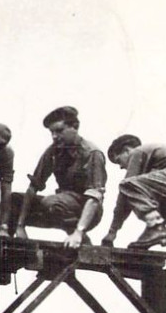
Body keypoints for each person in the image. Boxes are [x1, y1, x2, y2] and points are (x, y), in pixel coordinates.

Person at [13, 105, 106, 247]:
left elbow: (94, 197)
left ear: (74, 127)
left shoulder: (91, 153)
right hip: (62, 204)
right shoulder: (53, 151)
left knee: (51, 203)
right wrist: (20, 226)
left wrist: (79, 232)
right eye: (51, 132)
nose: (55, 136)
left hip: (87, 210)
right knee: (14, 200)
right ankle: (22, 249)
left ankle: (78, 238)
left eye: (59, 131)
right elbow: (34, 186)